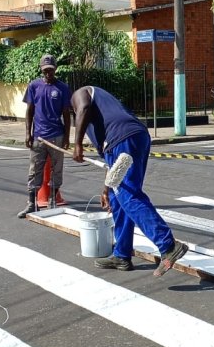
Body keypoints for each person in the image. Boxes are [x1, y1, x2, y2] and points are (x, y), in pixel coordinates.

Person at [70, 86, 187, 276]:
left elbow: (83, 107)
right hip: (135, 137)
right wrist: (106, 189)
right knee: (118, 199)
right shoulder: (102, 115)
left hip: (124, 139)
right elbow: (113, 168)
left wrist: (77, 144)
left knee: (129, 196)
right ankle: (122, 255)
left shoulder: (80, 94)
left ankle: (168, 245)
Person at [17, 54, 72, 218]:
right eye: (45, 70)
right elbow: (29, 111)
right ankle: (32, 204)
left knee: (57, 169)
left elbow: (66, 114)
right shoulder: (34, 86)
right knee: (34, 170)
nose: (48, 73)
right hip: (38, 137)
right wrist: (28, 134)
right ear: (41, 70)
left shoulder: (62, 88)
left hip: (57, 136)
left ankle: (52, 201)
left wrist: (67, 137)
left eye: (51, 70)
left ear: (55, 69)